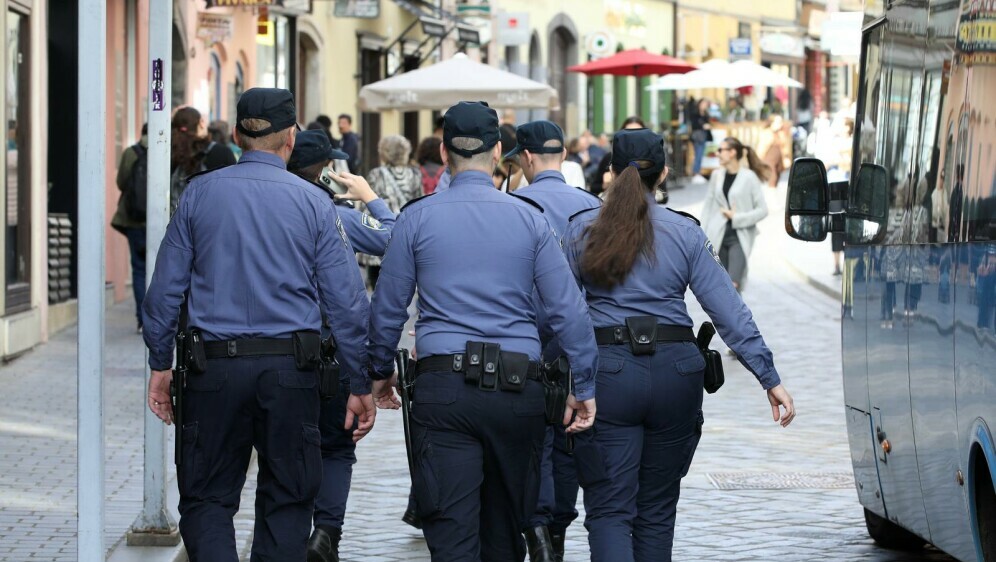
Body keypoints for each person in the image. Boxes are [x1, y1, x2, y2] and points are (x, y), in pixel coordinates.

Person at [143, 88, 383, 562]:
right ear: (290, 138)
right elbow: (347, 303)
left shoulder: (200, 194)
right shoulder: (314, 203)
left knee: (207, 496)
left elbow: (165, 288)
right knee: (289, 496)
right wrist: (360, 380)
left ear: (236, 134)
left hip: (213, 369)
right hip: (292, 371)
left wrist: (159, 362)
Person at [366, 101, 599, 561]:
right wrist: (584, 383)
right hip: (517, 389)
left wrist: (376, 372)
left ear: (442, 149)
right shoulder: (528, 217)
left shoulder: (416, 218)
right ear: (497, 150)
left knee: (451, 531)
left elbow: (387, 307)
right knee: (504, 531)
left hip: (444, 387)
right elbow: (568, 310)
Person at [561, 128, 796, 562]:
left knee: (610, 510)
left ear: (610, 173)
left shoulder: (580, 231)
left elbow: (561, 313)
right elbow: (729, 309)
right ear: (665, 173)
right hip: (676, 373)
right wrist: (768, 376)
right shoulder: (685, 232)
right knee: (656, 509)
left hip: (608, 373)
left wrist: (571, 380)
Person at [286, 129, 396, 562]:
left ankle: (291, 535)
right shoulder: (341, 216)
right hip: (331, 350)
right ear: (327, 172)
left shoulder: (273, 211)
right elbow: (394, 237)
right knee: (336, 446)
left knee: (289, 447)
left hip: (281, 351)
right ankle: (326, 532)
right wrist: (370, 196)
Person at [505, 120, 601, 561]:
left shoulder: (512, 206)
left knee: (534, 444)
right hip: (578, 344)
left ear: (525, 158)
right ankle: (556, 530)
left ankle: (538, 529)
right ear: (561, 155)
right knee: (569, 441)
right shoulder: (593, 207)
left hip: (527, 345)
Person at [700, 137, 771, 292]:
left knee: (733, 285)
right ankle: (726, 317)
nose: (717, 154)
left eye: (721, 150)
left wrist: (737, 217)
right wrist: (701, 235)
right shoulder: (716, 176)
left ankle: (738, 317)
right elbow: (708, 207)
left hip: (739, 238)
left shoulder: (749, 177)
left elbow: (763, 210)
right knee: (721, 288)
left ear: (732, 152)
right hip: (717, 237)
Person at [360, 135, 421, 287]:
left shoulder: (376, 174)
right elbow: (420, 208)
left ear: (384, 152)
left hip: (381, 242)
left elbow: (366, 209)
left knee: (377, 287)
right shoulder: (414, 175)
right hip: (406, 240)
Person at [111, 123, 149, 332]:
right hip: (158, 221)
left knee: (139, 269)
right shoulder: (168, 150)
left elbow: (121, 182)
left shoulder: (131, 153)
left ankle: (142, 319)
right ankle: (157, 319)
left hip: (134, 221)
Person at [170, 107, 236, 213]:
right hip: (213, 219)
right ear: (201, 123)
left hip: (178, 220)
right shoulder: (222, 152)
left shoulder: (169, 153)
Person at [689, 98, 711, 183]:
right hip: (698, 136)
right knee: (698, 155)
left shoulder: (706, 113)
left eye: (706, 104)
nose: (704, 105)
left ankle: (697, 172)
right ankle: (696, 173)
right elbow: (694, 125)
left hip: (704, 135)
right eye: (703, 104)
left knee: (700, 155)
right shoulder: (695, 113)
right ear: (699, 104)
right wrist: (703, 126)